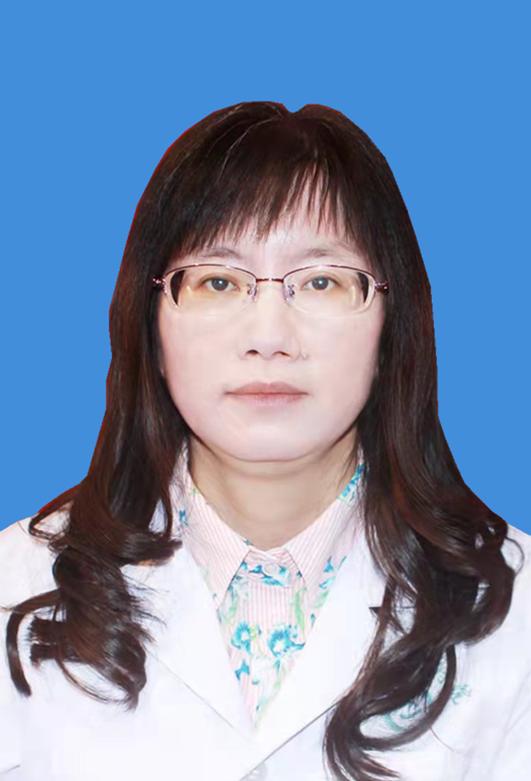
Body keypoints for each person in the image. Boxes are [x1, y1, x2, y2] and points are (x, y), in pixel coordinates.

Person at [1, 101, 530, 781]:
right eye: (219, 281)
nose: (269, 336)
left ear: (391, 329)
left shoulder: (516, 616)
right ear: (150, 327)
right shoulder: (16, 587)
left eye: (321, 281)